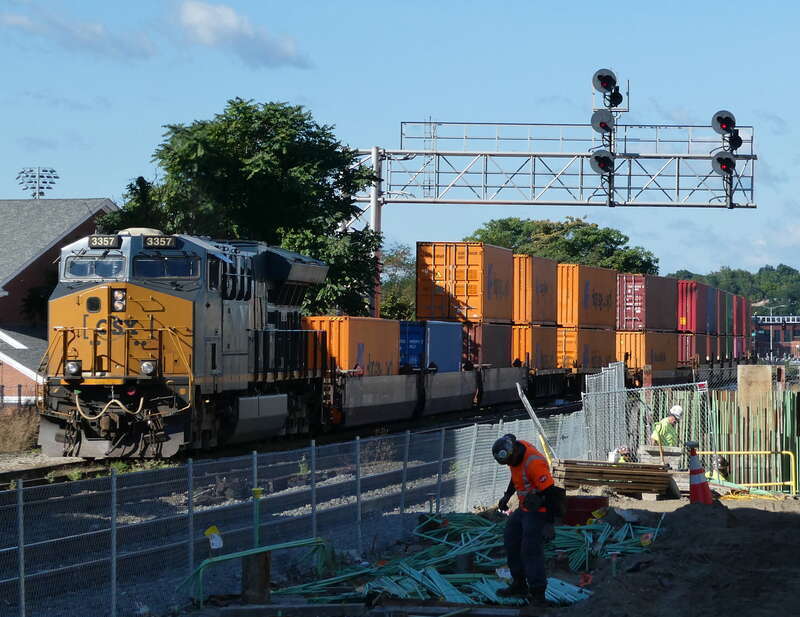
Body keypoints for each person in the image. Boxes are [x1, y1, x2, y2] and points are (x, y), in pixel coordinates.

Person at [493, 433, 563, 604]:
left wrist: (549, 524)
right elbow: (515, 474)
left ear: (514, 451)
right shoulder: (514, 453)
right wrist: (507, 496)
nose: (509, 465)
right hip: (525, 507)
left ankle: (538, 594)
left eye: (509, 461)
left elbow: (552, 493)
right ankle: (519, 585)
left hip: (540, 510)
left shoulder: (534, 463)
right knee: (511, 540)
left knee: (530, 550)